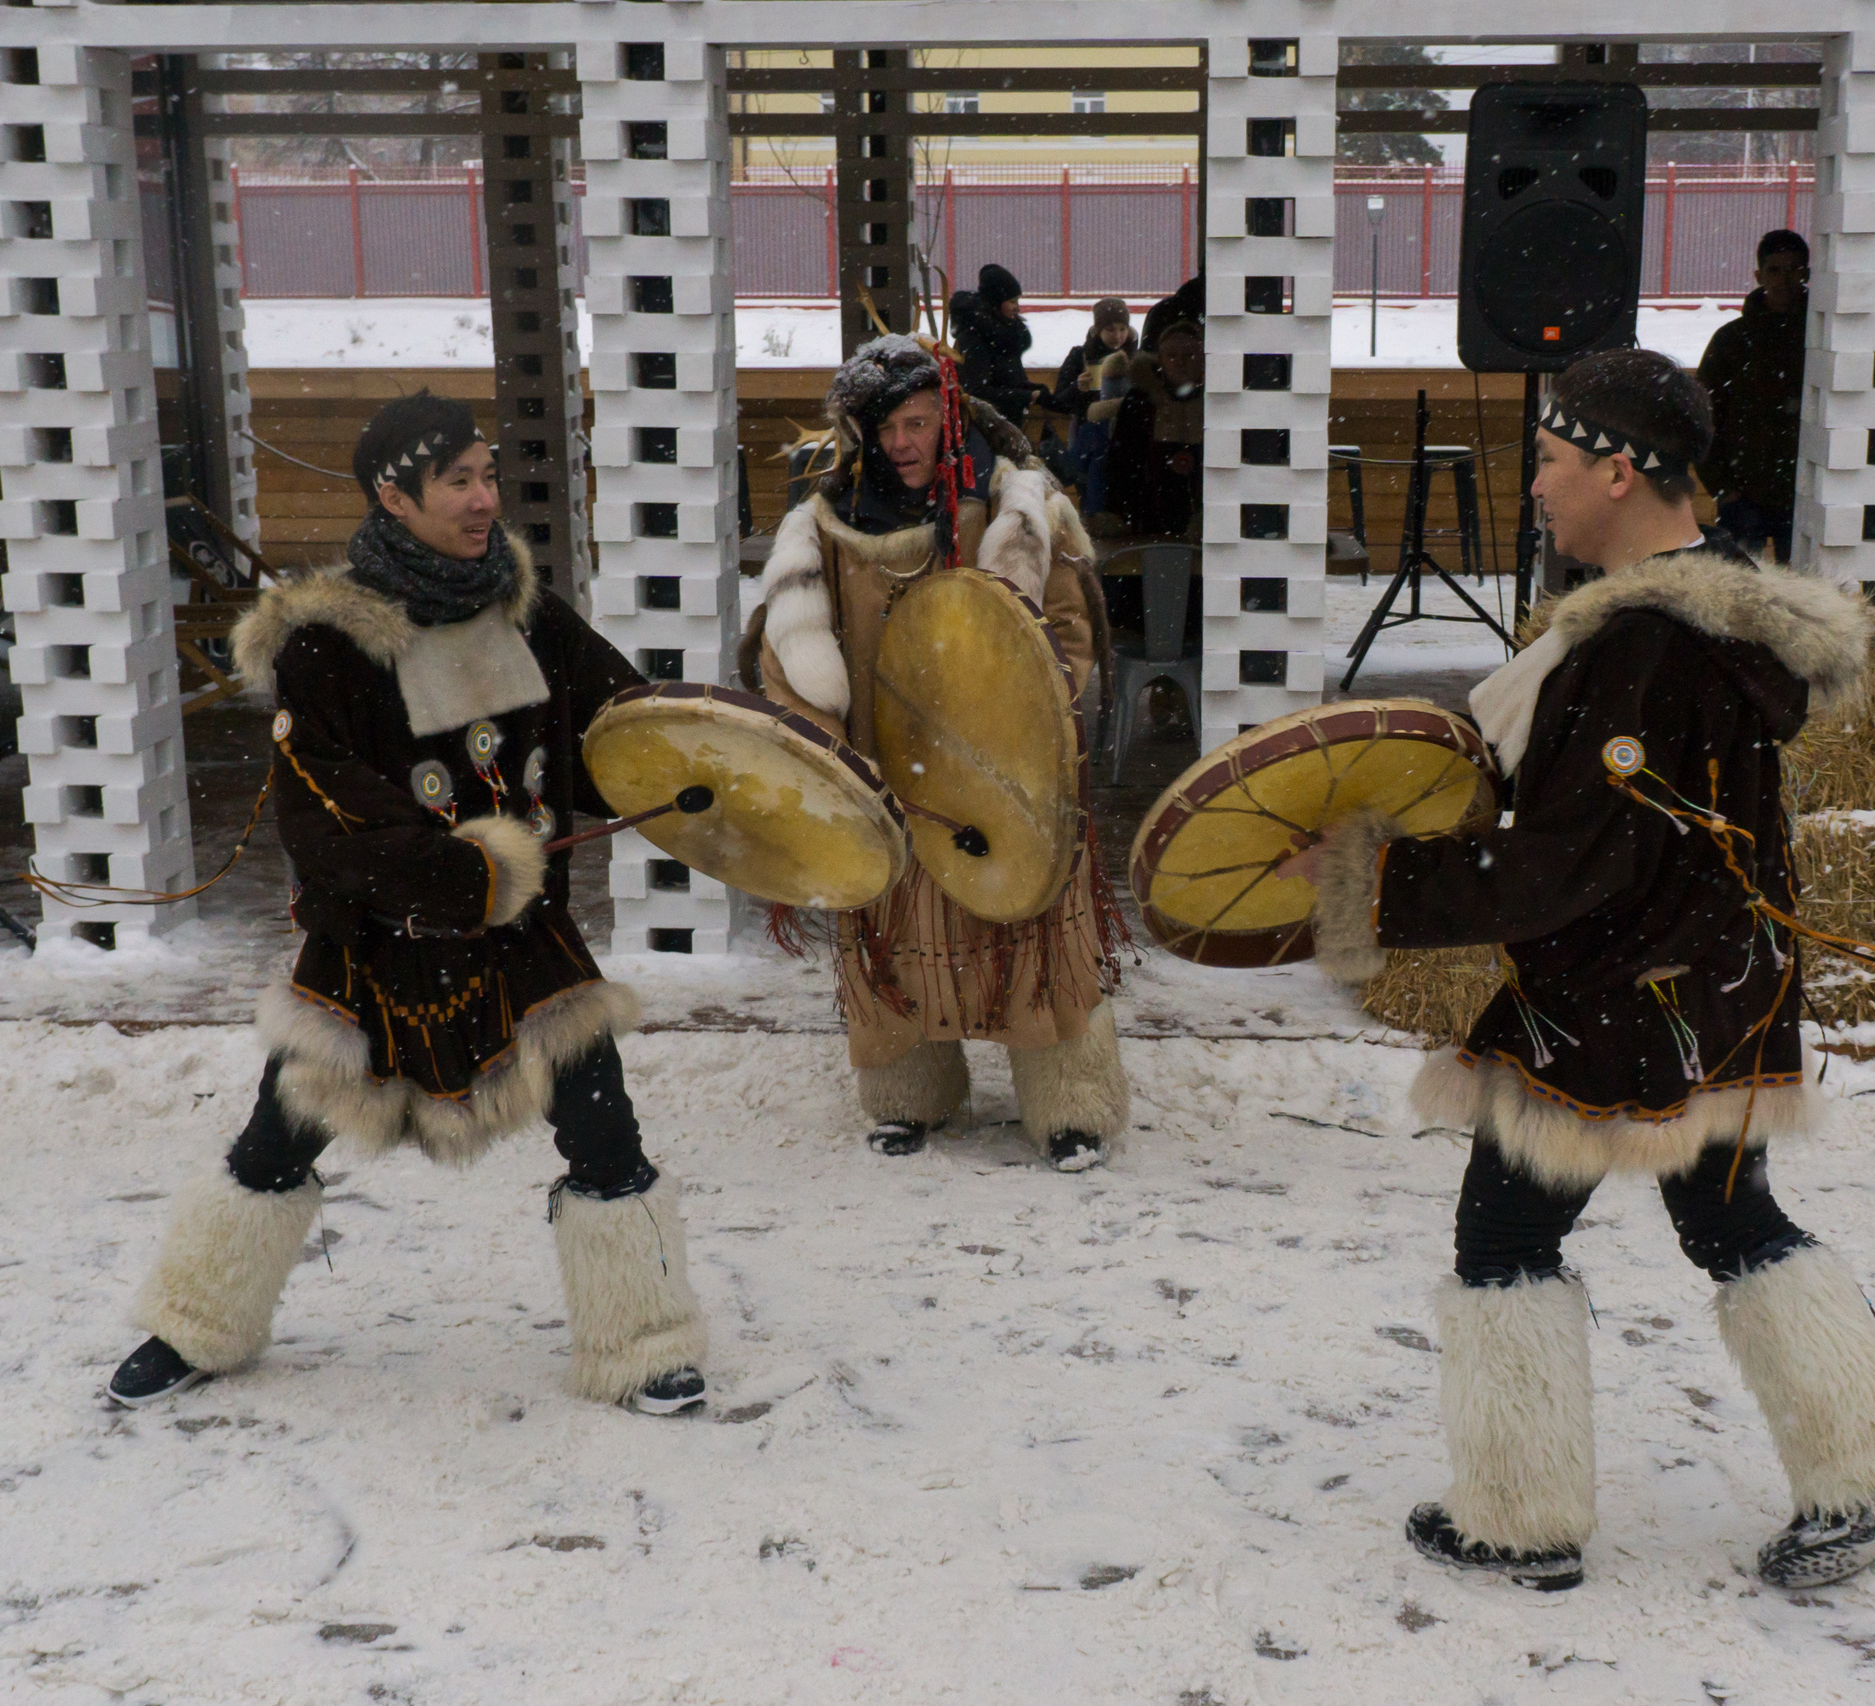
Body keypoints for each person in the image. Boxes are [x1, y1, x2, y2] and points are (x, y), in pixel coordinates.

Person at [1291, 349, 1875, 1592]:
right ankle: (1874, 1466)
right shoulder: (1719, 616)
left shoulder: (1639, 643)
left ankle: (1519, 1515)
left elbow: (1565, 863)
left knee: (1501, 1235)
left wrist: (1368, 882)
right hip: (1716, 978)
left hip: (1616, 997)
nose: (1533, 486)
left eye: (1547, 461)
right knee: (1728, 1214)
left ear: (1617, 468)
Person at [107, 393, 712, 1415]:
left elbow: (614, 731)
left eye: (488, 476)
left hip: (523, 937)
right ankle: (196, 1322)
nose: (484, 501)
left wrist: (710, 770)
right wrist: (463, 872)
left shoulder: (528, 612)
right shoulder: (325, 646)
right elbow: (329, 818)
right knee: (278, 1136)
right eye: (458, 482)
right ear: (392, 496)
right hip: (376, 947)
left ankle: (643, 1339)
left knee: (603, 1124)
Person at [741, 335, 1131, 1173]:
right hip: (889, 773)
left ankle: (1070, 1104)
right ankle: (908, 1095)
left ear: (949, 417)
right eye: (886, 430)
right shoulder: (824, 533)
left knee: (1033, 934)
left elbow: (1067, 626)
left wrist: (1021, 712)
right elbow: (788, 659)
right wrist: (836, 767)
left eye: (918, 424)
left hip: (1006, 775)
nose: (902, 446)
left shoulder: (1018, 512)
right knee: (894, 932)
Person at [1695, 229, 1810, 563]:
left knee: (1805, 598)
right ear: (1759, 276)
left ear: (1807, 274)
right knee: (1742, 595)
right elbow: (1701, 415)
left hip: (1803, 496)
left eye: (1794, 270)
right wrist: (1722, 488)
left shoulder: (1822, 339)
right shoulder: (1732, 340)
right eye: (1775, 269)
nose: (1785, 279)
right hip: (1743, 497)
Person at [1092, 317, 1204, 545]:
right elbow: (1121, 464)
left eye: (1189, 356)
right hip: (1145, 525)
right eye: (1172, 356)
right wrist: (1120, 515)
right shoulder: (1140, 402)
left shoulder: (1220, 403)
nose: (1180, 362)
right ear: (1161, 361)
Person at [1046, 297, 1134, 511]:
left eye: (1122, 329)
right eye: (1111, 330)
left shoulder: (1134, 356)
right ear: (1098, 330)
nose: (1118, 336)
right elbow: (1058, 402)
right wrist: (1077, 388)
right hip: (1087, 434)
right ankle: (1092, 515)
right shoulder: (1080, 356)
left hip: (1125, 434)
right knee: (1091, 474)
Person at [949, 262, 1037, 426]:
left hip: (1006, 422)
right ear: (996, 302)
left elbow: (1010, 379)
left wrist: (1032, 391)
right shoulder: (975, 337)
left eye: (1017, 301)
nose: (1017, 308)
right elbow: (975, 392)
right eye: (1012, 302)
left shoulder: (1005, 335)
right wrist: (1025, 396)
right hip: (986, 428)